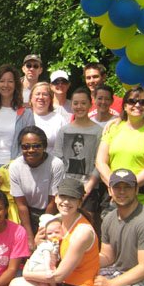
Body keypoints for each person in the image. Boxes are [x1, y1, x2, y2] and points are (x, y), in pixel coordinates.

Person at [8, 178, 101, 286]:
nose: (66, 202)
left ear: (81, 201)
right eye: (63, 196)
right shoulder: (57, 220)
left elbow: (58, 276)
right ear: (56, 198)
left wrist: (28, 273)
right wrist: (38, 242)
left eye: (72, 198)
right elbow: (43, 246)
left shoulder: (82, 232)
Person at [96, 86, 144, 206]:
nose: (137, 105)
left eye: (143, 102)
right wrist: (114, 186)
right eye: (132, 101)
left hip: (140, 200)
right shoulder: (113, 127)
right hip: (112, 197)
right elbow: (100, 162)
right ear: (124, 106)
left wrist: (129, 188)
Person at [9, 126, 65, 250]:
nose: (31, 150)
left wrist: (43, 231)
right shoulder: (15, 167)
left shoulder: (56, 164)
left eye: (36, 146)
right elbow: (21, 205)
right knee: (29, 248)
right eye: (26, 147)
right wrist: (30, 238)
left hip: (50, 212)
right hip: (27, 213)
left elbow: (53, 201)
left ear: (44, 146)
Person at [53, 87, 102, 223]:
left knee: (87, 224)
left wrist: (88, 187)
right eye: (75, 103)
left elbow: (99, 162)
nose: (79, 107)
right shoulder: (64, 130)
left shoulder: (99, 131)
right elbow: (57, 160)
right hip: (66, 189)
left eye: (83, 103)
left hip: (89, 189)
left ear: (90, 104)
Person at [23, 214, 64, 286]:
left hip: (44, 268)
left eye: (57, 232)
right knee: (51, 271)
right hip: (39, 266)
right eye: (49, 233)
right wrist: (49, 269)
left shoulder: (58, 244)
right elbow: (47, 258)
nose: (54, 235)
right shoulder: (46, 245)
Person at [30, 82, 67, 154]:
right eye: (37, 94)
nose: (41, 97)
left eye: (45, 94)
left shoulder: (59, 119)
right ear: (31, 98)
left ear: (50, 99)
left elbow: (66, 145)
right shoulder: (25, 117)